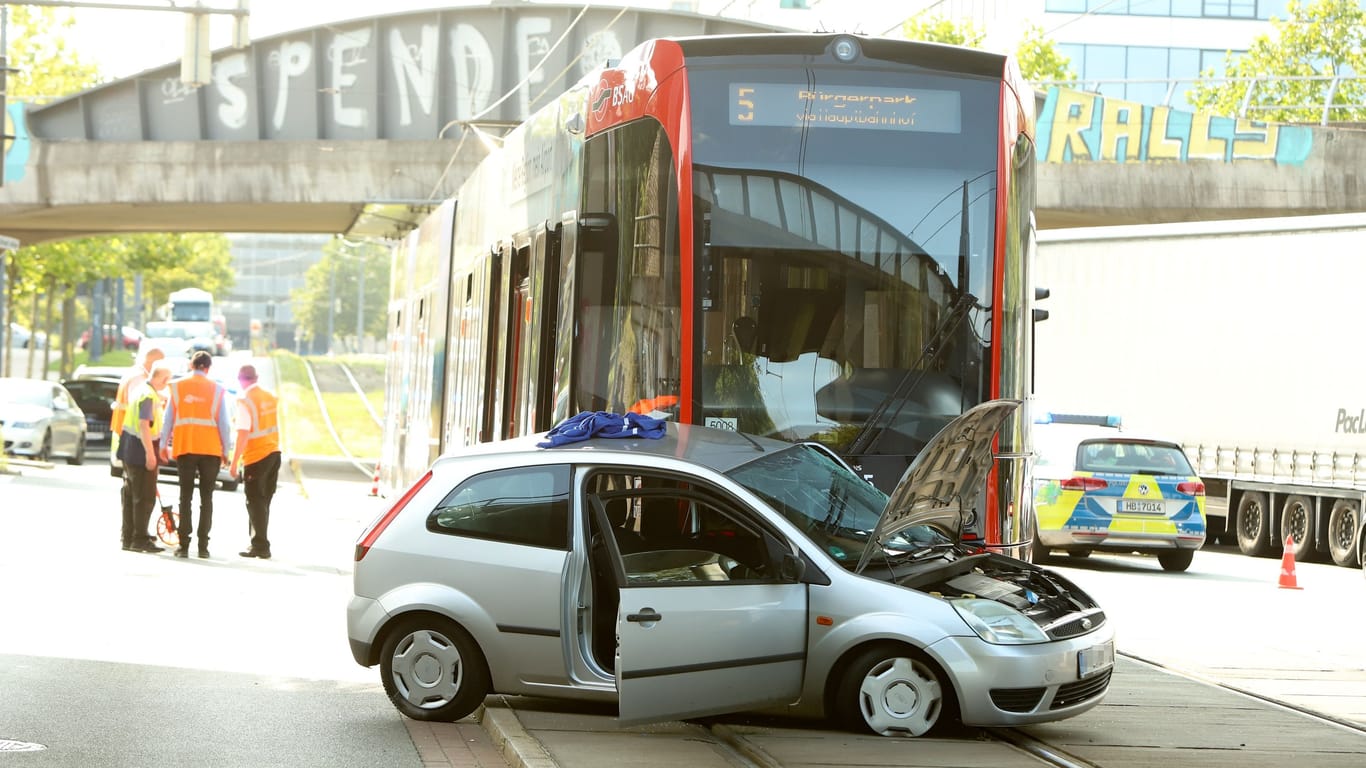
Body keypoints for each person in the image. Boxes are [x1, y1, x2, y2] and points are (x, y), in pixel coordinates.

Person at [161, 351, 232, 559]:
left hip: (185, 448)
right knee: (206, 498)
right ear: (208, 368)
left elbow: (168, 420)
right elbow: (224, 424)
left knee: (185, 497)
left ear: (191, 365)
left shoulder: (177, 387)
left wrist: (163, 445)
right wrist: (225, 451)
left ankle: (183, 546)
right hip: (210, 451)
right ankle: (203, 546)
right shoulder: (217, 390)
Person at [115, 347, 166, 551]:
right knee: (143, 497)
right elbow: (145, 425)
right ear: (161, 379)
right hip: (141, 452)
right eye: (166, 380)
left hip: (128, 449)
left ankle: (128, 538)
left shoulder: (139, 390)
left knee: (130, 495)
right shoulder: (148, 396)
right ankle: (140, 539)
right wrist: (151, 455)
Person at [229, 364, 280, 559]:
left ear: (241, 379)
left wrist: (234, 463)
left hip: (256, 456)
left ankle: (260, 545)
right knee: (264, 501)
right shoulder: (270, 397)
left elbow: (243, 433)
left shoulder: (245, 400)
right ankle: (257, 543)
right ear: (256, 377)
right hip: (274, 452)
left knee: (255, 501)